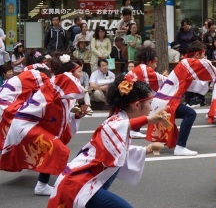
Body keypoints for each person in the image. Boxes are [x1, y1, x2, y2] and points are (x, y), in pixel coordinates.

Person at [47, 75, 169, 208]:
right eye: (150, 104)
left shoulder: (119, 122)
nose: (151, 109)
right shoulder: (115, 124)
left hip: (83, 182)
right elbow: (119, 128)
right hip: (78, 184)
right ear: (137, 105)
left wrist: (147, 149)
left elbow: (119, 152)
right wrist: (148, 119)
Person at [0, 54, 85, 196]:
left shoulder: (59, 87)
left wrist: (79, 114)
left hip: (28, 122)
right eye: (79, 71)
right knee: (56, 148)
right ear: (69, 73)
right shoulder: (56, 82)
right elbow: (80, 92)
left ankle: (44, 180)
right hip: (25, 124)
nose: (81, 74)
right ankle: (41, 186)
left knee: (55, 145)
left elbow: (72, 107)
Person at [147, 41, 216, 156]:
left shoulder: (185, 65)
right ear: (197, 55)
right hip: (167, 100)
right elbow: (208, 65)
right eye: (203, 54)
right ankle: (180, 146)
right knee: (190, 114)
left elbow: (194, 86)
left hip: (162, 100)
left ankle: (163, 143)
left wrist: (209, 80)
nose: (204, 57)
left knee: (185, 114)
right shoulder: (187, 63)